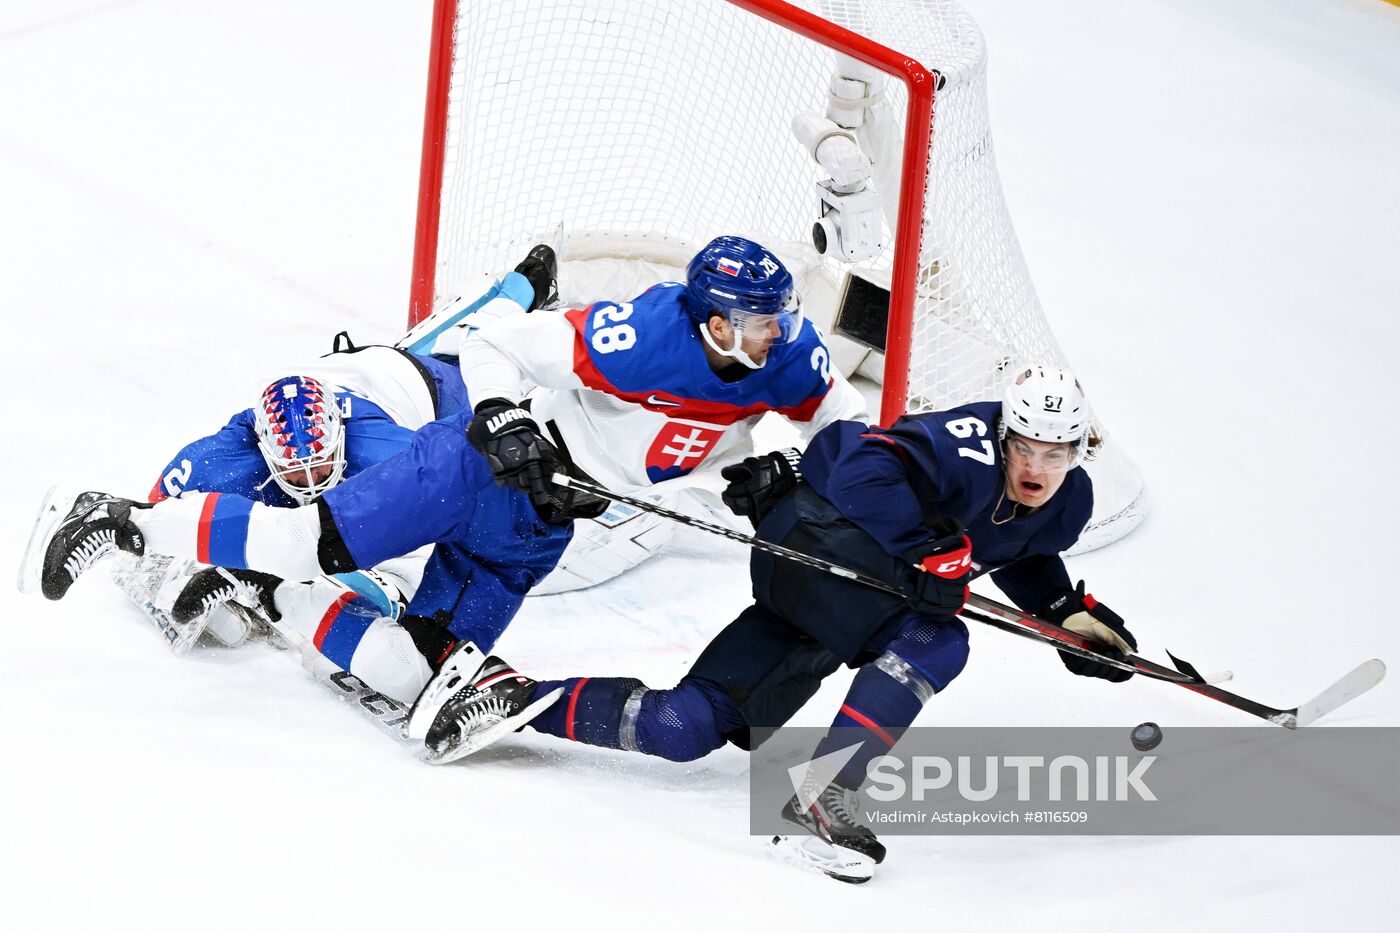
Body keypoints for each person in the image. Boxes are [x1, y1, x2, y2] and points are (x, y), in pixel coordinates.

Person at [22, 235, 870, 753]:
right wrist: (504, 423)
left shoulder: (788, 353)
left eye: (780, 315)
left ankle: (293, 610)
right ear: (716, 320)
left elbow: (842, 418)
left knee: (429, 665)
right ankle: (118, 520)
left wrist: (782, 472)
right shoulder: (642, 334)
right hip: (476, 465)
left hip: (544, 522)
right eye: (761, 318)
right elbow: (502, 346)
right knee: (316, 537)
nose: (779, 330)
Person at [419, 364, 1139, 883]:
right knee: (940, 634)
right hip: (818, 544)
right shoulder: (963, 444)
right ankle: (827, 795)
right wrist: (931, 550)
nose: (1038, 467)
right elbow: (857, 463)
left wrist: (1064, 611)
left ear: (1077, 453)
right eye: (1027, 449)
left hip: (834, 602)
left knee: (683, 727)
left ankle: (514, 698)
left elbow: (1019, 548)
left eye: (1056, 453)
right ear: (1005, 433)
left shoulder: (1067, 501)